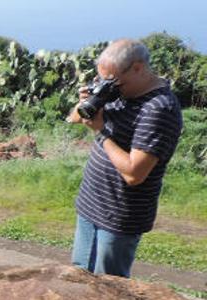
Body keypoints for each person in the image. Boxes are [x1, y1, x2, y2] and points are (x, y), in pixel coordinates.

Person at [67, 39, 183, 277]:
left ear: (138, 68)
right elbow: (75, 119)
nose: (108, 86)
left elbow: (133, 174)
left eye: (114, 80)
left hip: (118, 216)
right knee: (78, 279)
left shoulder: (159, 109)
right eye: (103, 79)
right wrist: (86, 103)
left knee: (109, 288)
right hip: (90, 205)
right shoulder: (115, 87)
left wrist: (101, 131)